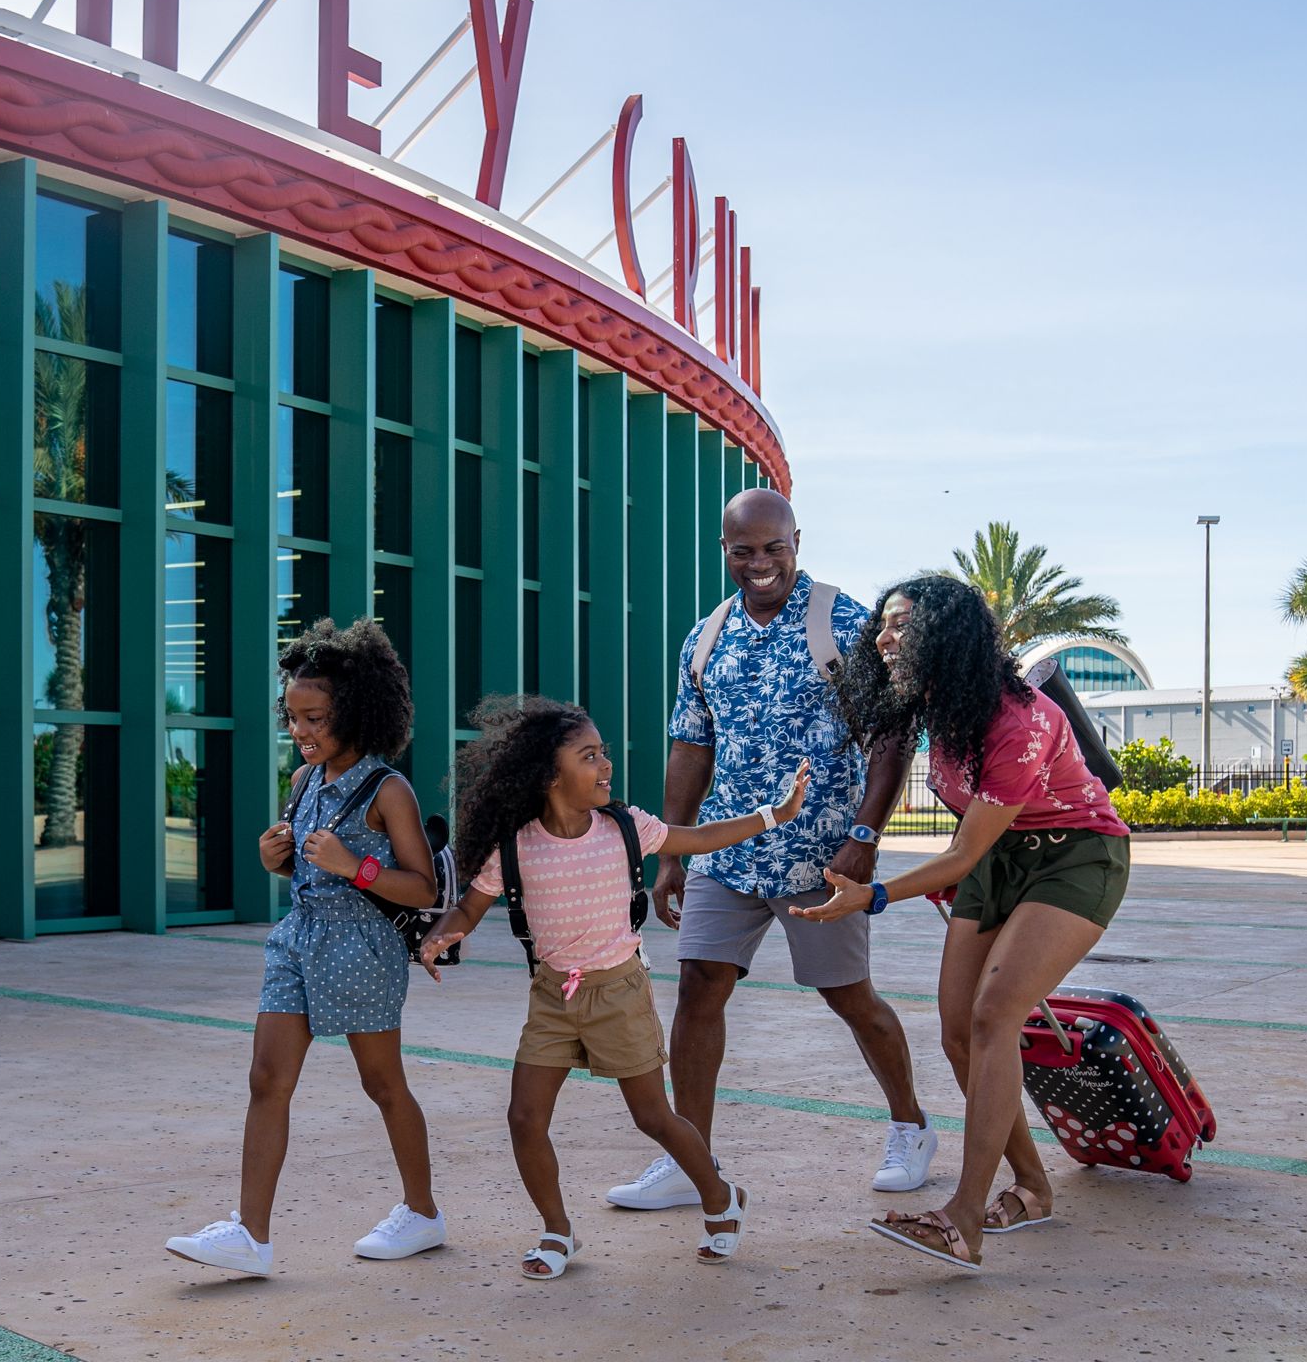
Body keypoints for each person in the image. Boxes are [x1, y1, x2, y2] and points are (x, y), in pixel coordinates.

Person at [792, 575, 1133, 1273]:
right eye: (883, 627)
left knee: (993, 1017)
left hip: (1076, 858)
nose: (883, 639)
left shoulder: (1021, 719)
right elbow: (972, 843)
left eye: (900, 627)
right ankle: (1033, 1187)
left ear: (945, 638)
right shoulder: (933, 706)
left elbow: (959, 852)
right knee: (956, 1033)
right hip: (1000, 862)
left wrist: (874, 895)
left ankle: (964, 1218)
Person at [609, 488, 933, 1215]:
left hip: (822, 855)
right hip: (730, 848)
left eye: (773, 548)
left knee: (847, 997)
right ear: (723, 550)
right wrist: (669, 854)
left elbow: (890, 738)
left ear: (797, 541)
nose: (760, 564)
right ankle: (690, 1157)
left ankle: (911, 1124)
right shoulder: (706, 637)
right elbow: (690, 747)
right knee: (698, 986)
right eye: (743, 551)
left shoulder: (844, 623)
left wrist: (864, 836)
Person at [417, 696, 811, 1278]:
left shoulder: (627, 828)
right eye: (590, 756)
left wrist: (774, 813)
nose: (606, 766)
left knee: (653, 1117)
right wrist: (437, 937)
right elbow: (469, 910)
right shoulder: (515, 846)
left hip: (621, 994)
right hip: (553, 998)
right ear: (550, 775)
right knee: (524, 1118)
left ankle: (721, 1198)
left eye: (604, 753)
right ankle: (557, 1231)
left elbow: (698, 838)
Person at [164, 619, 448, 1278]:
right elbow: (311, 868)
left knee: (382, 1084)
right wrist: (279, 863)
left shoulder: (388, 790)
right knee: (267, 1079)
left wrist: (356, 866)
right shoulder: (302, 783)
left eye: (314, 718)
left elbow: (422, 886)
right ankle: (249, 1237)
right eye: (292, 719)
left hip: (362, 947)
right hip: (297, 938)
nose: (301, 732)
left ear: (354, 710)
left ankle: (422, 1212)